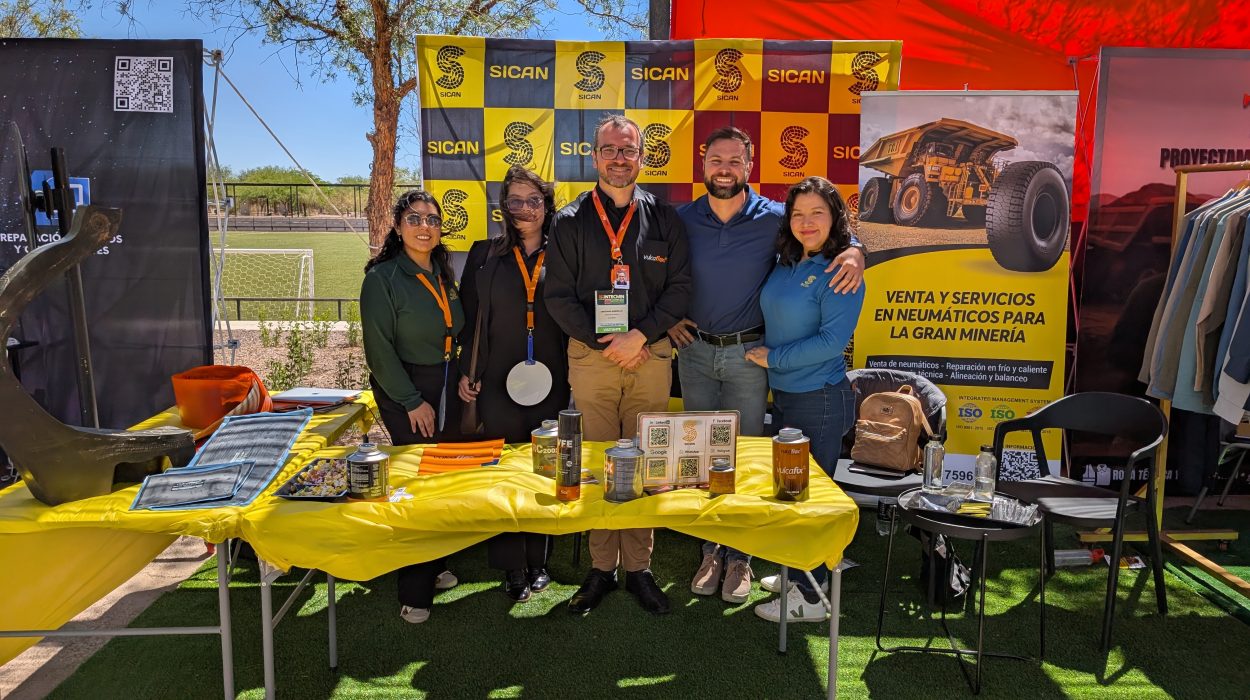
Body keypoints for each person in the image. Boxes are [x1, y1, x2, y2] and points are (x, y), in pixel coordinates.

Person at [673, 127, 866, 604]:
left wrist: (857, 250)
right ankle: (710, 551)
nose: (724, 169)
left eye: (734, 160)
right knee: (705, 455)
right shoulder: (681, 218)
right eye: (716, 160)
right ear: (703, 163)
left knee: (744, 458)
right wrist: (668, 317)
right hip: (695, 353)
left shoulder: (774, 216)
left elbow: (824, 222)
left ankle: (741, 557)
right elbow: (656, 268)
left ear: (749, 165)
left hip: (749, 355)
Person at [544, 113, 692, 615]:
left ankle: (639, 568)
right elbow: (558, 297)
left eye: (628, 150)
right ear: (594, 157)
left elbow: (680, 290)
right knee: (599, 461)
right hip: (593, 358)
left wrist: (640, 336)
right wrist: (607, 342)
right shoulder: (568, 220)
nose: (618, 159)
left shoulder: (666, 219)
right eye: (609, 150)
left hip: (650, 354)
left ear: (642, 158)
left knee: (644, 461)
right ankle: (602, 567)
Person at [744, 176, 865, 622]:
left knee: (810, 496)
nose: (806, 222)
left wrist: (774, 358)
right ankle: (800, 574)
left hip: (820, 398)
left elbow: (832, 343)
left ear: (835, 218)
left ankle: (811, 599)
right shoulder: (789, 261)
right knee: (792, 491)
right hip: (788, 396)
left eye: (817, 213)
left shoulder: (841, 270)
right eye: (798, 214)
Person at [457, 165, 567, 603]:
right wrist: (467, 370)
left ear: (547, 206)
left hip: (552, 378)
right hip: (497, 379)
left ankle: (539, 560)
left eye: (533, 200)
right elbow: (469, 320)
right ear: (503, 206)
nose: (524, 209)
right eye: (515, 201)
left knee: (544, 466)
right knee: (503, 470)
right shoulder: (484, 254)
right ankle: (511, 566)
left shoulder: (565, 255)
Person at [360, 189, 465, 624]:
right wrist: (411, 402)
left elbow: (455, 331)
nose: (425, 226)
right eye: (415, 219)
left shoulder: (443, 272)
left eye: (432, 220)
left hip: (445, 384)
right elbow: (379, 350)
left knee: (440, 480)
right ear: (398, 226)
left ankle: (435, 564)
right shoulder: (382, 278)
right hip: (406, 387)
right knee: (419, 486)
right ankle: (414, 592)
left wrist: (464, 376)